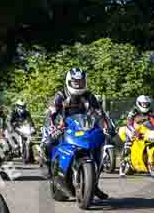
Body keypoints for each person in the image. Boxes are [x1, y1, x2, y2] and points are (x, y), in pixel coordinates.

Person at [42, 68, 109, 199]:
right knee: (48, 143)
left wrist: (106, 126)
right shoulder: (61, 95)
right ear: (69, 81)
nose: (78, 85)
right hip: (63, 126)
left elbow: (100, 113)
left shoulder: (89, 96)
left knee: (100, 144)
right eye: (75, 82)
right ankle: (50, 172)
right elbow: (50, 113)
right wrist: (52, 126)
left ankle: (93, 185)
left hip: (84, 127)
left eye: (81, 82)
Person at [119, 95, 154, 177]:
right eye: (143, 104)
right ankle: (122, 167)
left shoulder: (151, 111)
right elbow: (128, 122)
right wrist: (134, 131)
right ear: (139, 103)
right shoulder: (134, 110)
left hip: (144, 130)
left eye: (146, 104)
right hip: (132, 128)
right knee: (128, 144)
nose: (145, 105)